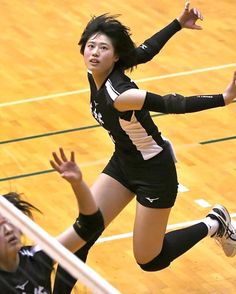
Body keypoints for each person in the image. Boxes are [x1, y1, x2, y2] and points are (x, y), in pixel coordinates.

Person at [53, 1, 236, 293]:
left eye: (103, 48)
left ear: (114, 57)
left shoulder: (121, 94)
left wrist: (224, 98)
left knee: (149, 260)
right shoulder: (95, 74)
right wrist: (178, 22)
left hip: (154, 173)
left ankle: (214, 223)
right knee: (81, 238)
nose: (95, 52)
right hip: (123, 162)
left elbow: (172, 103)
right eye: (91, 46)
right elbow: (144, 51)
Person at [0, 149, 103, 293]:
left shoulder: (37, 257)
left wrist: (78, 184)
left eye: (10, 221)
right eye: (0, 227)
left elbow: (91, 225)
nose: (9, 230)